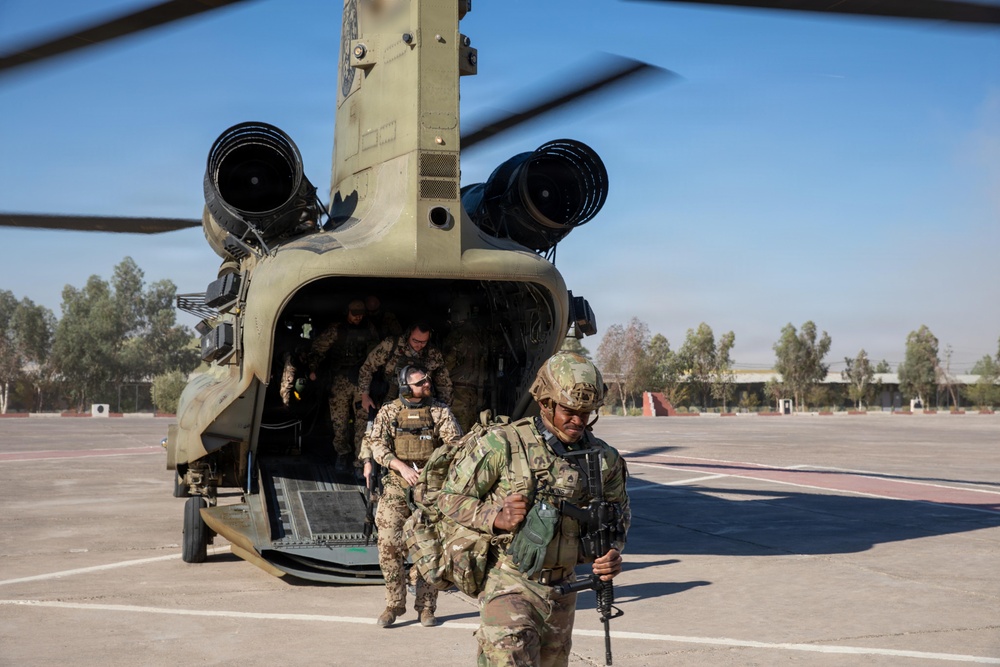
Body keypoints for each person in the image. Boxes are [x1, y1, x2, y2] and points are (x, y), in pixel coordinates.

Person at [437, 351, 630, 666]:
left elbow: (618, 516)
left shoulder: (603, 459)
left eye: (587, 412)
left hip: (564, 590)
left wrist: (611, 552)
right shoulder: (503, 444)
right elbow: (448, 497)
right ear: (545, 403)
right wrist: (495, 517)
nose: (579, 421)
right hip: (510, 582)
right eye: (569, 410)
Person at [362, 365, 463, 628]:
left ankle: (427, 608)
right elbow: (377, 445)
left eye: (427, 381)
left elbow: (454, 445)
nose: (427, 385)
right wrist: (401, 466)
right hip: (396, 484)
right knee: (388, 544)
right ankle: (394, 604)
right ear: (406, 387)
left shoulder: (439, 410)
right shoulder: (389, 411)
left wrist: (432, 468)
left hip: (429, 488)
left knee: (430, 548)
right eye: (421, 383)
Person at [307, 299, 381, 471]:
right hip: (340, 379)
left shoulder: (369, 328)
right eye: (354, 315)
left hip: (361, 380)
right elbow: (317, 348)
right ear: (347, 312)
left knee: (363, 421)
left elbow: (377, 352)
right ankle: (342, 453)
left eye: (360, 315)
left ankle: (361, 459)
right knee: (339, 421)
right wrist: (313, 369)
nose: (358, 318)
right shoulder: (336, 329)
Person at [358, 322, 453, 412]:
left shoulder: (433, 354)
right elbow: (367, 368)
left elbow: (444, 384)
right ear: (408, 335)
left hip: (422, 403)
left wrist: (445, 407)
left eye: (424, 342)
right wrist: (365, 396)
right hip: (390, 400)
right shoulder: (391, 345)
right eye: (415, 340)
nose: (419, 345)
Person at [443, 294, 491, 432]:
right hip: (475, 393)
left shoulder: (456, 336)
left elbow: (446, 365)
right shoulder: (480, 335)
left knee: (457, 434)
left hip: (457, 393)